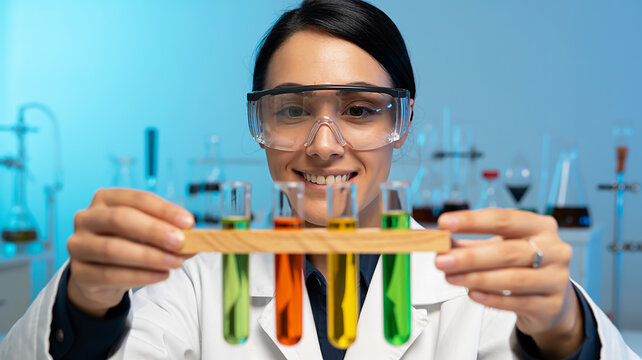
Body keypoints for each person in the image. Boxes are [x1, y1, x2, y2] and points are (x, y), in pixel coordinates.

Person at [0, 0, 638, 359]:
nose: (323, 145)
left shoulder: (475, 284)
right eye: (294, 109)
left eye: (360, 111)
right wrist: (88, 302)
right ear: (262, 123)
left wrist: (563, 333)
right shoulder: (196, 281)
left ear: (402, 121)